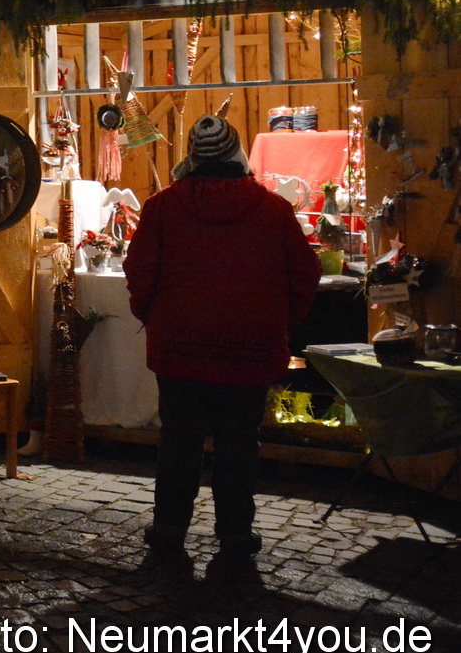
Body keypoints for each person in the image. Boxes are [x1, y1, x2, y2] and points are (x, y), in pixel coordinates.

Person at [125, 114, 320, 558]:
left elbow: (139, 272)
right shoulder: (274, 210)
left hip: (179, 349)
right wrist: (280, 322)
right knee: (238, 442)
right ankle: (234, 533)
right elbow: (304, 276)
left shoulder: (161, 207)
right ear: (237, 154)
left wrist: (155, 317)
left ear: (192, 157)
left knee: (179, 439)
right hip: (250, 350)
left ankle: (170, 528)